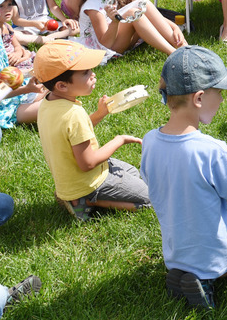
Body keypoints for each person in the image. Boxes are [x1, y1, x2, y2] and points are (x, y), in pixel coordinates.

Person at [141, 46, 227, 309]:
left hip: (174, 254)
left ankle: (187, 273)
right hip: (218, 252)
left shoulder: (149, 141)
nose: (222, 99)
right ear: (198, 98)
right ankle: (207, 278)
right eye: (219, 93)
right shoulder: (213, 149)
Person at [35, 39, 150, 221]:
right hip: (88, 182)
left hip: (70, 179)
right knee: (150, 200)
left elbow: (74, 134)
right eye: (86, 72)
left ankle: (72, 195)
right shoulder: (73, 113)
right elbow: (87, 163)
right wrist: (119, 140)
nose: (93, 75)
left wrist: (99, 114)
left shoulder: (48, 103)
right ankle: (87, 201)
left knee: (134, 174)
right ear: (62, 85)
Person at [0, 0, 45, 128]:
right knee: (55, 103)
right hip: (0, 108)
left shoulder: (1, 31)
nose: (7, 9)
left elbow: (4, 81)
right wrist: (27, 89)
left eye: (10, 4)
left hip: (8, 94)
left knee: (55, 86)